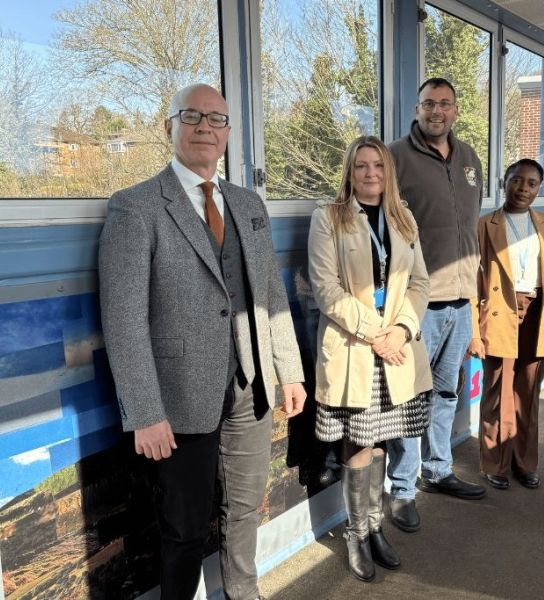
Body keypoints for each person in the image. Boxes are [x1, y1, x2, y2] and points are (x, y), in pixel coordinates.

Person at [99, 83, 306, 600]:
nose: (204, 128)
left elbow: (271, 293)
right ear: (167, 125)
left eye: (216, 120)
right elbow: (124, 320)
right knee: (184, 528)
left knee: (243, 509)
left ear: (230, 133)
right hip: (178, 396)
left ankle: (243, 593)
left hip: (251, 386)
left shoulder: (247, 203)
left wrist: (290, 370)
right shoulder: (135, 207)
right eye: (191, 117)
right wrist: (145, 412)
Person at [307, 136, 432, 582]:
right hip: (355, 350)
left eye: (378, 166)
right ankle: (356, 534)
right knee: (358, 443)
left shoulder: (403, 217)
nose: (370, 173)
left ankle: (376, 526)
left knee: (382, 440)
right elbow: (326, 289)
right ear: (349, 171)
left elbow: (420, 284)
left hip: (395, 351)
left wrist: (400, 331)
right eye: (361, 166)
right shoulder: (329, 218)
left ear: (388, 171)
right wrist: (377, 333)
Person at [387, 77, 486, 533]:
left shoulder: (470, 160)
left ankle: (439, 470)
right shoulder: (393, 157)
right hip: (417, 303)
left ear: (456, 111)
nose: (436, 112)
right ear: (417, 106)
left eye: (445, 104)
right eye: (429, 103)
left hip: (462, 301)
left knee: (447, 392)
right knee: (410, 398)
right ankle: (403, 490)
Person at [468, 159, 544, 490]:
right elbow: (473, 283)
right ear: (505, 182)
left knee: (527, 394)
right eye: (517, 181)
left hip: (539, 315)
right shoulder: (485, 225)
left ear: (538, 189)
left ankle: (524, 462)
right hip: (500, 314)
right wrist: (474, 332)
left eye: (531, 184)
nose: (523, 189)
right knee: (497, 393)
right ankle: (494, 464)